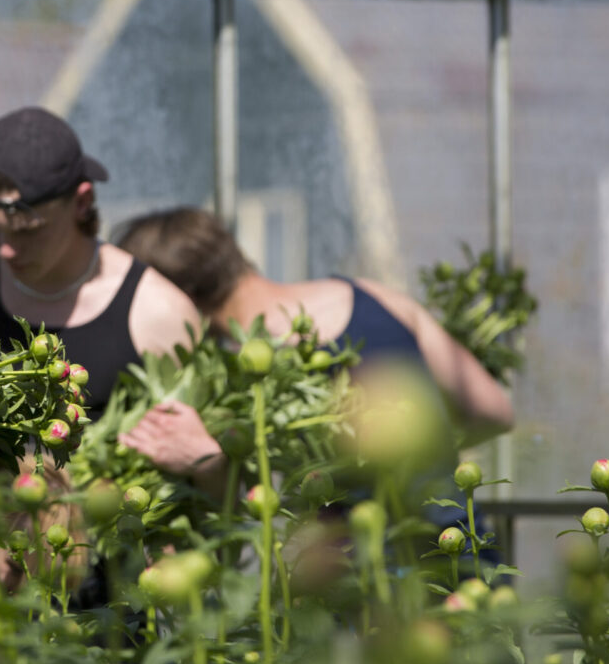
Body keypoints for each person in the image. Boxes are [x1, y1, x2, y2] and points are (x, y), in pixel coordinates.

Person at [113, 206, 513, 494]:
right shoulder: (378, 297)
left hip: (354, 584)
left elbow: (249, 505)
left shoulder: (238, 369)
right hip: (460, 555)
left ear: (177, 296)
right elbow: (494, 411)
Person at [0, 107, 201, 420]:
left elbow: (201, 452)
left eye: (27, 231)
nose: (6, 249)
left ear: (82, 202)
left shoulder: (157, 312)